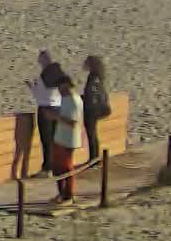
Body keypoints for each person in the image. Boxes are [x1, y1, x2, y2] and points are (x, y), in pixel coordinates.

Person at [30, 51, 65, 174]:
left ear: (43, 60)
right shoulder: (60, 73)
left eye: (40, 60)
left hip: (45, 109)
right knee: (55, 140)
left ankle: (47, 168)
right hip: (58, 107)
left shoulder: (44, 75)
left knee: (46, 140)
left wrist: (32, 87)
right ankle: (56, 166)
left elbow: (39, 96)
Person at [51, 75, 83, 204]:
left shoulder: (74, 101)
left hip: (68, 139)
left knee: (66, 168)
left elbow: (73, 122)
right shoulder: (65, 98)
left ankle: (68, 195)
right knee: (57, 168)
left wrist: (56, 117)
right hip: (60, 137)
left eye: (60, 87)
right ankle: (61, 193)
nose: (59, 90)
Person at [81, 56, 111, 162]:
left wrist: (83, 99)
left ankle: (93, 158)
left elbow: (92, 93)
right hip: (96, 107)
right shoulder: (98, 76)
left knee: (91, 134)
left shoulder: (93, 77)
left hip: (92, 109)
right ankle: (95, 157)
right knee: (93, 134)